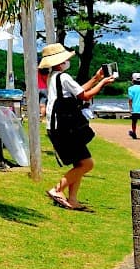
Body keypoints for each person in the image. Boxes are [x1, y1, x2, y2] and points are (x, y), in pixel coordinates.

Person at [41, 42, 116, 211]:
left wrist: (96, 78)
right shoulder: (64, 77)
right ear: (60, 62)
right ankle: (57, 189)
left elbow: (79, 91)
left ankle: (73, 199)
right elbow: (85, 96)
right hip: (65, 128)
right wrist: (103, 83)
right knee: (87, 164)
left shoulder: (54, 77)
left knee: (79, 163)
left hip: (58, 127)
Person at [128, 72, 140, 139]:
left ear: (133, 80)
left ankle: (134, 132)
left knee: (134, 122)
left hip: (135, 109)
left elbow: (130, 99)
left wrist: (130, 108)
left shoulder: (131, 88)